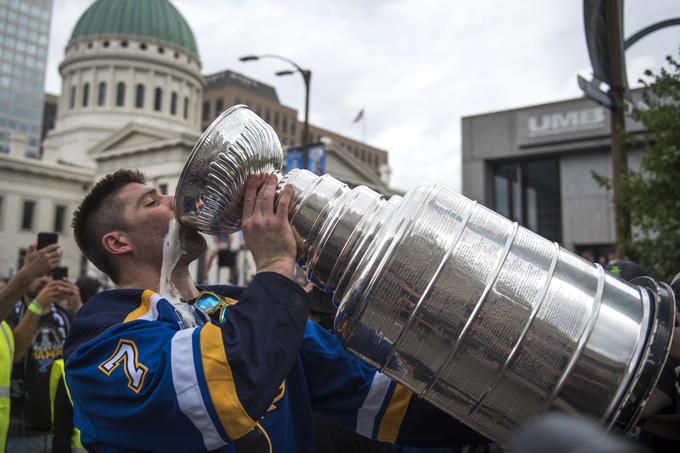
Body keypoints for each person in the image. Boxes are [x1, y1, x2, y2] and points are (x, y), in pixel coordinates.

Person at [64, 169, 487, 452]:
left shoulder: (240, 307)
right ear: (118, 242)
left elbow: (381, 399)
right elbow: (226, 389)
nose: (176, 201)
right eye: (152, 201)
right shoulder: (100, 337)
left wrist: (502, 420)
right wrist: (274, 265)